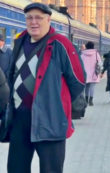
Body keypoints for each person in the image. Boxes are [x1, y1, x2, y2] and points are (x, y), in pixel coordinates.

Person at [6, 3, 85, 173]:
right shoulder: (20, 41)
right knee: (15, 168)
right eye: (29, 18)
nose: (34, 22)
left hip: (49, 121)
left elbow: (78, 80)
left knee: (50, 170)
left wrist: (56, 104)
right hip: (20, 119)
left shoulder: (61, 44)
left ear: (49, 20)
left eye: (39, 18)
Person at [81, 41, 102, 106]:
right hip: (94, 73)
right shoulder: (96, 54)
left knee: (87, 86)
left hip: (85, 73)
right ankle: (91, 100)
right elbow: (100, 63)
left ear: (86, 46)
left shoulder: (83, 54)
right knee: (92, 87)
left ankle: (86, 100)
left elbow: (80, 63)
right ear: (93, 46)